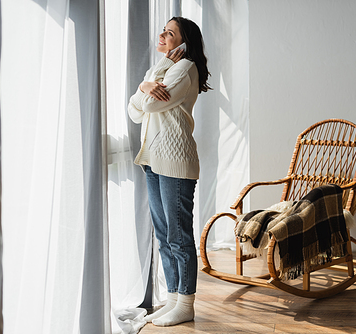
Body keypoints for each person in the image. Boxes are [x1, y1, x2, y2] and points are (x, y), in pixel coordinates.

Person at [127, 16, 210, 327]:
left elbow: (147, 106)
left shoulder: (186, 68)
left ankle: (185, 303)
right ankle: (174, 299)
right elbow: (134, 110)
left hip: (176, 162)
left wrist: (148, 84)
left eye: (170, 33)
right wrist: (145, 84)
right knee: (164, 235)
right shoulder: (161, 69)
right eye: (163, 30)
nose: (162, 35)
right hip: (153, 160)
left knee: (178, 235)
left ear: (184, 41)